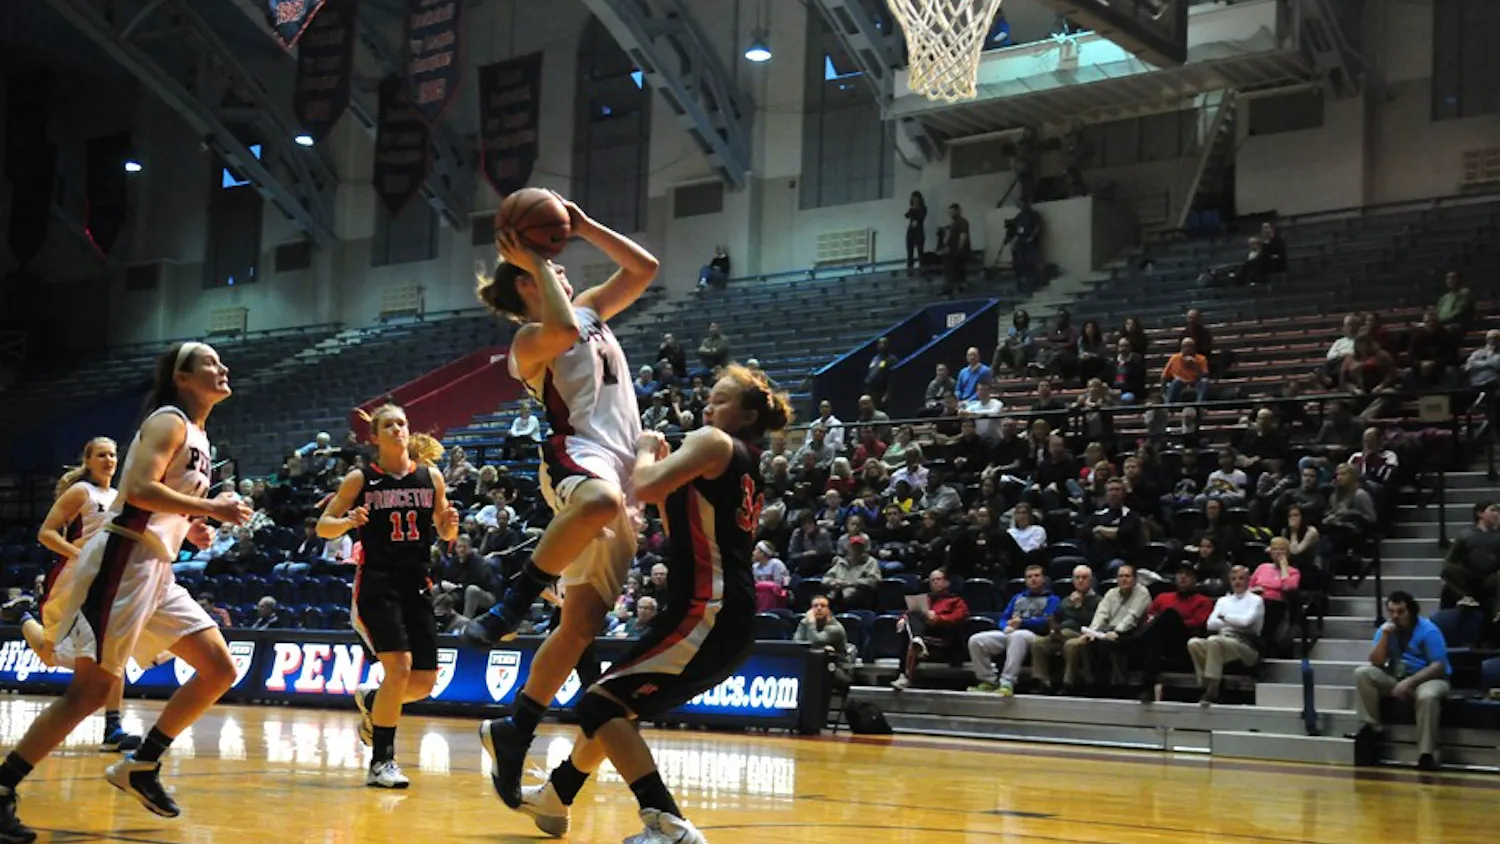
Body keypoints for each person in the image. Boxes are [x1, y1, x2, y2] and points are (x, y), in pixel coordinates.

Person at [495, 363, 789, 843]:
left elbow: (646, 485)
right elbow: (678, 524)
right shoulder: (739, 459)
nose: (707, 406)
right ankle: (557, 796)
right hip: (712, 610)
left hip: (708, 611)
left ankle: (668, 824)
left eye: (719, 399)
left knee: (599, 703)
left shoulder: (714, 441)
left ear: (748, 413)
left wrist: (646, 451)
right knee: (612, 706)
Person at [0, 342, 253, 838]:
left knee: (220, 668)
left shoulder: (201, 434)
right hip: (123, 560)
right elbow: (137, 490)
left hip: (156, 568)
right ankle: (3, 787)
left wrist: (190, 525)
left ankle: (142, 764)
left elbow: (164, 502)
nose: (222, 368)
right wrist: (211, 511)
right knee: (89, 692)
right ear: (182, 377)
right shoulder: (170, 419)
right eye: (209, 363)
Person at [465, 194, 658, 809]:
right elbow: (563, 329)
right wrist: (536, 257)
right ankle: (514, 601)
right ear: (525, 278)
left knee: (579, 627)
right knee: (597, 502)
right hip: (580, 459)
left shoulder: (593, 312)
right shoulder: (528, 341)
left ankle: (514, 727)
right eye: (548, 262)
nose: (564, 263)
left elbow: (644, 269)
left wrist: (587, 221)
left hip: (625, 476)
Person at [318, 403, 459, 788]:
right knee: (399, 668)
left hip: (418, 583)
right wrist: (347, 521)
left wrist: (448, 527)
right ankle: (382, 762)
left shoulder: (431, 476)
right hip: (378, 582)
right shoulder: (360, 478)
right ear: (374, 436)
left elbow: (445, 532)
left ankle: (373, 700)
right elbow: (323, 527)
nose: (397, 429)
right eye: (388, 425)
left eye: (401, 423)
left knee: (424, 682)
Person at [26, 437, 142, 753]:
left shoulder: (120, 497)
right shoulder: (81, 492)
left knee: (114, 649)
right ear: (88, 461)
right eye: (101, 455)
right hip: (68, 580)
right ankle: (22, 618)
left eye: (113, 455)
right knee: (50, 656)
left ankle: (113, 726)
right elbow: (46, 533)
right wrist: (79, 555)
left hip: (102, 582)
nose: (108, 460)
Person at [1347, 591, 1451, 771]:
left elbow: (1439, 665)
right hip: (1397, 677)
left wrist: (1410, 682)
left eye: (1400, 611)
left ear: (1411, 611)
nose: (1395, 616)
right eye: (1391, 611)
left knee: (1427, 696)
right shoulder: (1386, 629)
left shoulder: (1428, 630)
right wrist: (1385, 637)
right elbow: (1376, 662)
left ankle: (1426, 754)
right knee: (1362, 673)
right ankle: (1374, 729)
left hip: (1429, 678)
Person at [967, 564, 1057, 695]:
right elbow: (1004, 618)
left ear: (1044, 579)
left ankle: (1007, 681)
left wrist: (1022, 622)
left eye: (1037, 576)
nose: (1033, 579)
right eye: (1029, 577)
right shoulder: (1017, 597)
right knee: (976, 640)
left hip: (1036, 636)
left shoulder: (1052, 599)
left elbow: (1046, 621)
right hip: (1012, 632)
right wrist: (1006, 627)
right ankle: (988, 680)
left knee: (1017, 636)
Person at [1187, 565, 1264, 705]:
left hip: (1246, 645)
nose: (1237, 582)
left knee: (1214, 640)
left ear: (1248, 579)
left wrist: (1224, 617)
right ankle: (1205, 683)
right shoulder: (1223, 601)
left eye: (1241, 578)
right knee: (1193, 643)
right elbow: (1210, 624)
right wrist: (1233, 620)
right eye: (1234, 579)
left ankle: (1213, 688)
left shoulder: (1256, 600)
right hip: (1222, 640)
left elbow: (1246, 622)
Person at [904, 191, 927, 273]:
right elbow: (906, 215)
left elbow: (920, 217)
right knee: (910, 253)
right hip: (911, 233)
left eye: (917, 199)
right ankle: (910, 271)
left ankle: (922, 271)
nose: (915, 200)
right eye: (914, 199)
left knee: (920, 252)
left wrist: (914, 211)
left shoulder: (923, 208)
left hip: (919, 232)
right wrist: (913, 209)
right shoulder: (912, 209)